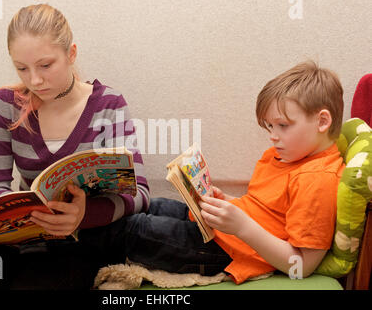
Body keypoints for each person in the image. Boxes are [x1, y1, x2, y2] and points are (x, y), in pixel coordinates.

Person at [82, 60, 345, 285]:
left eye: (283, 125)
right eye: (269, 126)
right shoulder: (286, 154)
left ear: (322, 121)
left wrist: (241, 226)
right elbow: (266, 209)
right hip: (226, 233)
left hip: (235, 252)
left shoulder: (316, 179)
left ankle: (74, 244)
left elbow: (302, 266)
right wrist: (227, 202)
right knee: (152, 205)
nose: (273, 136)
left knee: (136, 230)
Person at [0, 4, 149, 289]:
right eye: (22, 68)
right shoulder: (4, 105)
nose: (34, 80)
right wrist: (13, 217)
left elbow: (140, 194)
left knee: (44, 283)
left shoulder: (108, 105)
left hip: (83, 240)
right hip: (22, 240)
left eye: (45, 65)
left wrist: (83, 215)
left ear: (71, 54)